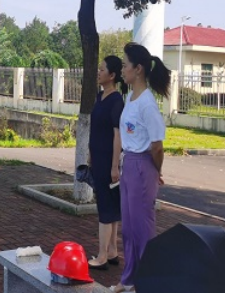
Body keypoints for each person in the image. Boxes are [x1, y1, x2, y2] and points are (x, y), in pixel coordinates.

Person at [110, 42, 170, 293]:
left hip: (143, 166)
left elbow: (157, 147)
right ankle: (129, 279)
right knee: (129, 228)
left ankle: (147, 282)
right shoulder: (131, 98)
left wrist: (156, 171)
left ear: (139, 69)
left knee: (142, 229)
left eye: (125, 65)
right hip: (130, 165)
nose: (122, 70)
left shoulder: (147, 104)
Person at [88, 56, 126, 270]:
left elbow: (117, 135)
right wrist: (90, 154)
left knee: (105, 207)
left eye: (102, 69)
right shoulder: (99, 96)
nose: (98, 72)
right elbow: (95, 128)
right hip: (97, 158)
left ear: (112, 75)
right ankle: (112, 251)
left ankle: (102, 256)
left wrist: (114, 166)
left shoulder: (116, 101)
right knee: (109, 206)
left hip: (107, 161)